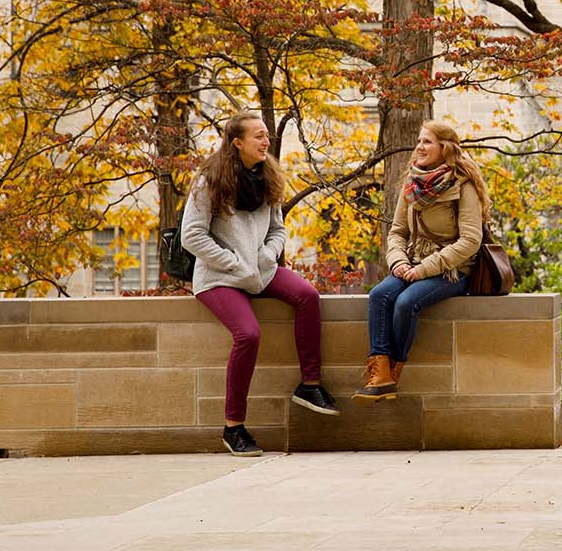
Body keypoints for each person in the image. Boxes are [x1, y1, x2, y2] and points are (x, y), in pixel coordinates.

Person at [181, 112, 338, 457]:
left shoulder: (268, 177)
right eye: (258, 137)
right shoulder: (209, 181)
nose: (266, 142)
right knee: (248, 334)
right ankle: (233, 426)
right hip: (220, 277)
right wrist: (234, 263)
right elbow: (191, 236)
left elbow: (278, 230)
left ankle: (309, 385)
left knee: (308, 296)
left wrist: (266, 256)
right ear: (237, 143)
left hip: (260, 269)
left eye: (266, 136)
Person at [356, 121, 488, 401]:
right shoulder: (412, 184)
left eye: (427, 141)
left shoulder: (464, 186)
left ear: (445, 147)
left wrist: (424, 269)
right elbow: (398, 232)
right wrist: (399, 263)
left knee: (405, 302)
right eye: (419, 141)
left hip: (451, 269)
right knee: (379, 295)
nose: (419, 147)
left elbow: (470, 241)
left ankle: (393, 371)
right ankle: (379, 374)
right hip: (413, 262)